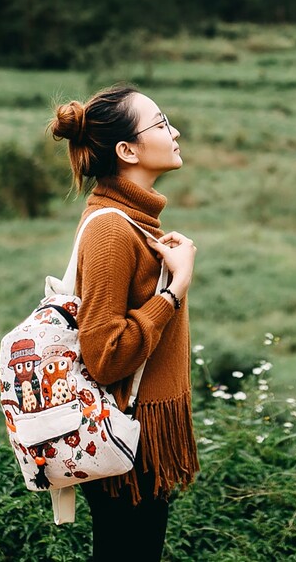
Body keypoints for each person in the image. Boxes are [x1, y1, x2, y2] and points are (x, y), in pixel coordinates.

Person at [49, 84, 198, 561]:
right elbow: (105, 354)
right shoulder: (112, 229)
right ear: (127, 149)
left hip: (138, 431)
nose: (174, 132)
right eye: (160, 123)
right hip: (124, 431)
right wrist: (175, 290)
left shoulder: (133, 221)